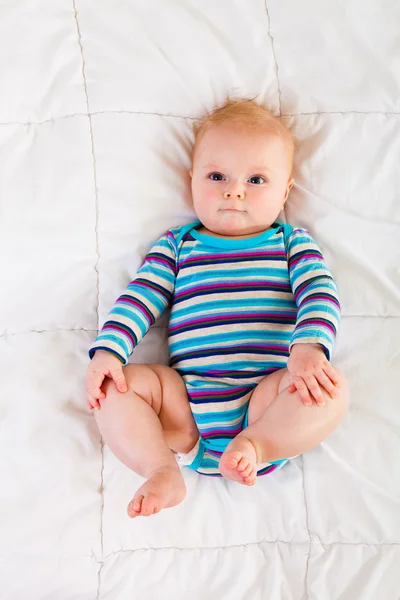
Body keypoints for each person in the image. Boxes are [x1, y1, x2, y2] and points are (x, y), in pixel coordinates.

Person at [85, 98, 349, 519]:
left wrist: (309, 348)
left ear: (285, 192)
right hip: (183, 408)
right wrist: (109, 351)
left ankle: (257, 446)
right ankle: (160, 468)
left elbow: (319, 292)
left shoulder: (289, 244)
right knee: (114, 389)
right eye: (216, 176)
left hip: (266, 404)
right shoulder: (178, 246)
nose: (234, 190)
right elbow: (140, 297)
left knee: (330, 392)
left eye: (257, 179)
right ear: (191, 180)